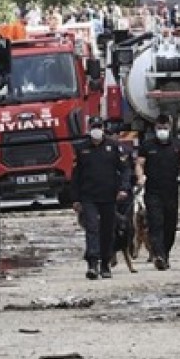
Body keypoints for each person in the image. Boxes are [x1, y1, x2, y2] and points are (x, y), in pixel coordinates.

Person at [70, 116, 130, 279]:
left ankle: (105, 263)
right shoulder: (82, 149)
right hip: (88, 196)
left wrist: (124, 188)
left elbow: (124, 169)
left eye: (99, 126)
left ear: (103, 128)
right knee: (92, 228)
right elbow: (76, 176)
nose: (96, 129)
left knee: (107, 231)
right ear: (89, 129)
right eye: (93, 126)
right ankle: (92, 263)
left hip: (109, 196)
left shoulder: (114, 147)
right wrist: (75, 199)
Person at [135, 113, 180, 270]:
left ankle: (165, 253)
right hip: (153, 190)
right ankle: (158, 255)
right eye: (159, 128)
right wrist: (140, 177)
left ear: (170, 128)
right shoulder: (148, 145)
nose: (162, 130)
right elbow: (139, 163)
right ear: (155, 128)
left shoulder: (177, 144)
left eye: (165, 127)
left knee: (170, 225)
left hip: (171, 190)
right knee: (156, 222)